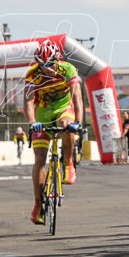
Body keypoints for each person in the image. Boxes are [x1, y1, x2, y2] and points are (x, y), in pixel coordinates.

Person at [23, 39, 84, 225]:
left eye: (51, 64)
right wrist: (33, 122)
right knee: (40, 159)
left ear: (58, 60)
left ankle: (69, 163)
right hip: (43, 111)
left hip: (64, 108)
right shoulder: (33, 74)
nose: (47, 68)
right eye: (43, 65)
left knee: (67, 124)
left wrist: (79, 123)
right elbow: (28, 102)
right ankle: (38, 205)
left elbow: (78, 99)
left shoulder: (68, 70)